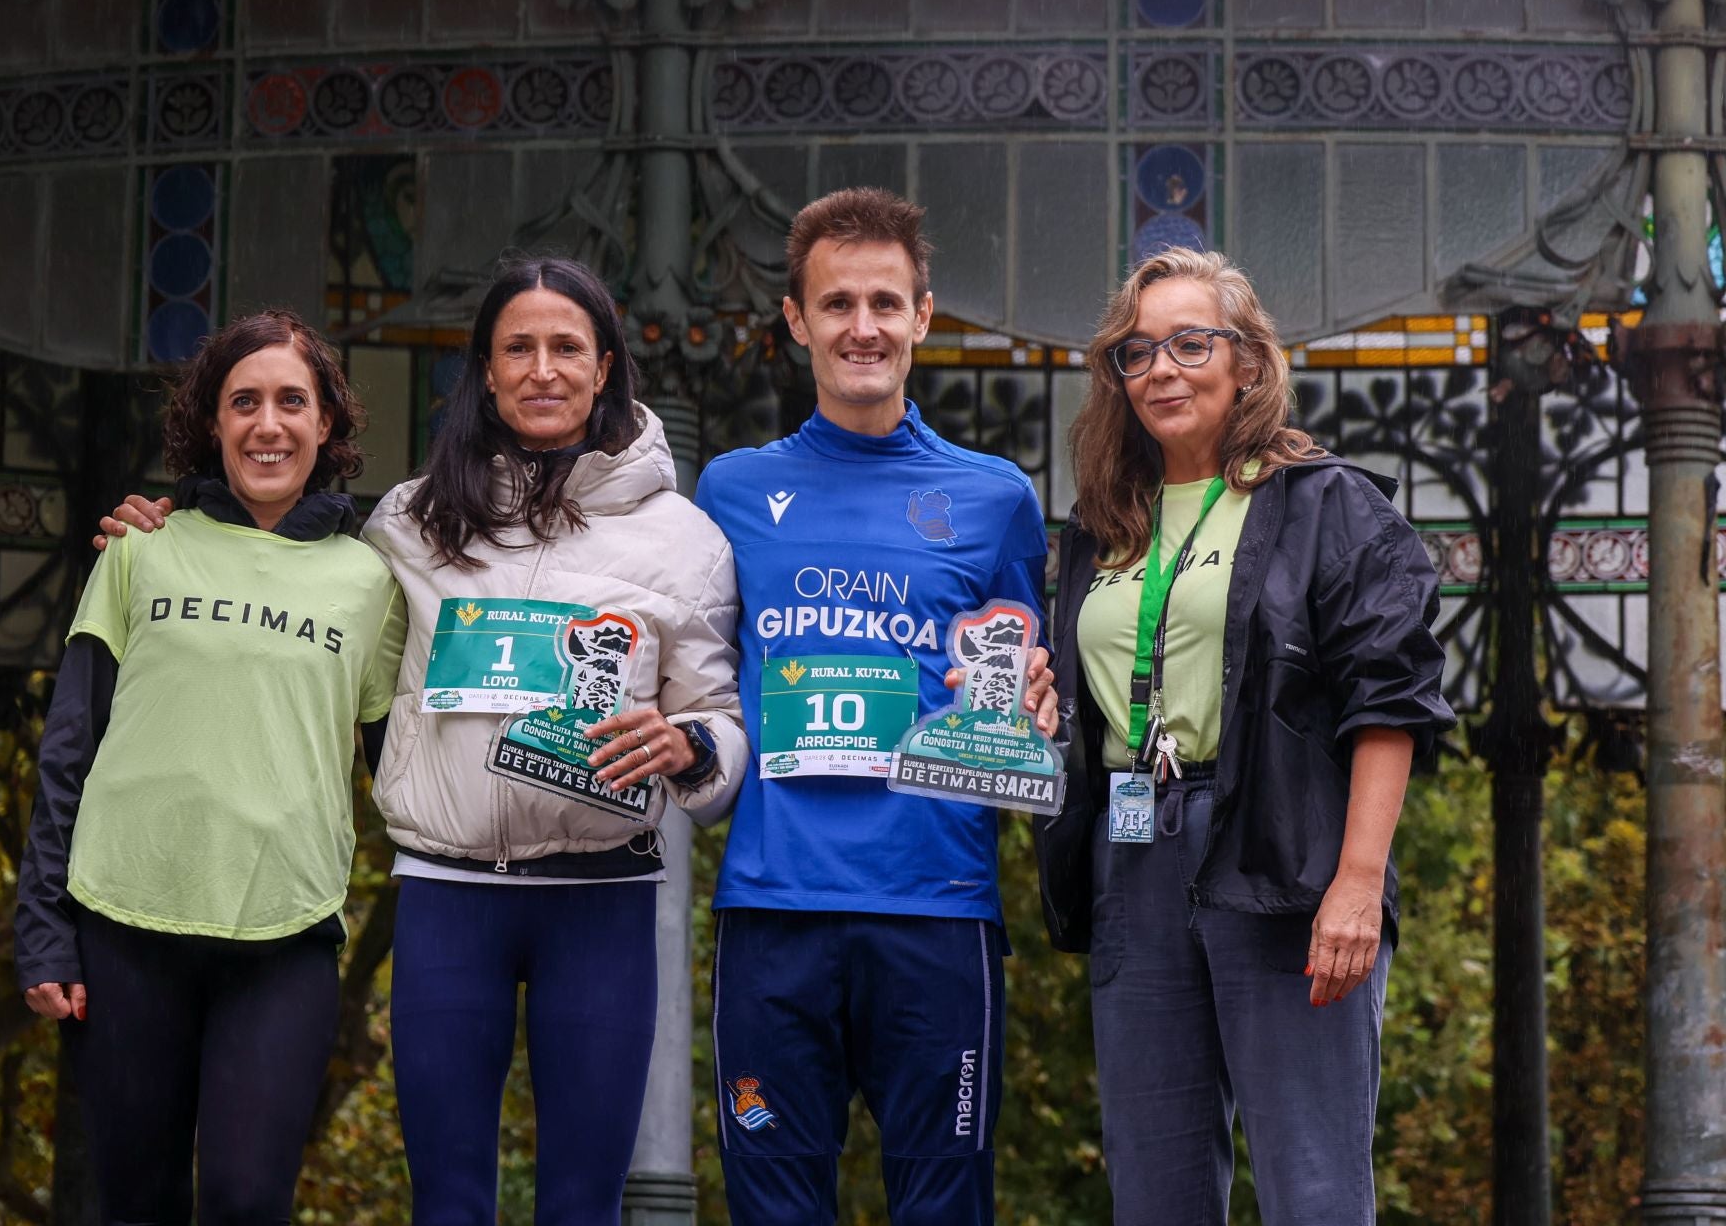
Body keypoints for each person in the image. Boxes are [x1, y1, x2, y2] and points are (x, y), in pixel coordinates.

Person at [95, 257, 746, 1224]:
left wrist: (691, 748)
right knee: (445, 1203)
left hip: (603, 898)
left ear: (605, 366)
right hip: (448, 899)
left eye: (566, 347)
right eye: (516, 348)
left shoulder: (687, 539)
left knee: (583, 1205)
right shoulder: (409, 519)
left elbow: (721, 725)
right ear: (485, 371)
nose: (541, 369)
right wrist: (169, 520)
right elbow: (288, 575)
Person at [1035, 247, 1454, 1225]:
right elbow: (1097, 697)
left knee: (1312, 1189)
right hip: (1132, 853)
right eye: (1135, 352)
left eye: (1190, 341)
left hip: (1283, 854)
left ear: (1249, 362)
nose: (1163, 369)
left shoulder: (1325, 501)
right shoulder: (1100, 525)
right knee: (1156, 1192)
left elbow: (1388, 696)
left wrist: (1356, 882)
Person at [693, 187, 1056, 1224]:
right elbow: (684, 668)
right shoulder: (728, 489)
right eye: (839, 303)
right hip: (772, 911)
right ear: (797, 322)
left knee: (944, 1208)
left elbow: (1029, 700)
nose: (865, 326)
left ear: (924, 316)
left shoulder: (997, 497)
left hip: (937, 911)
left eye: (886, 303)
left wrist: (1038, 704)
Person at [16, 311, 405, 1225]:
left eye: (292, 403)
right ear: (212, 423)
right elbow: (68, 746)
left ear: (326, 426)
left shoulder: (372, 584)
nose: (268, 424)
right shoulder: (139, 549)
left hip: (285, 941)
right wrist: (42, 930)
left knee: (243, 1199)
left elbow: (404, 771)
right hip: (121, 930)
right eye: (245, 403)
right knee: (136, 1203)